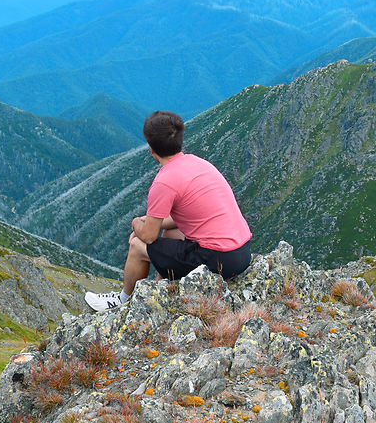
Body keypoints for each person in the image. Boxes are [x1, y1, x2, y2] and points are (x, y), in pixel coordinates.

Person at [85, 110, 252, 311]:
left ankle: (122, 301)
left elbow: (147, 236)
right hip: (241, 252)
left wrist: (138, 224)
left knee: (138, 245)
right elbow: (183, 219)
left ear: (151, 149)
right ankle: (161, 290)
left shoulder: (164, 182)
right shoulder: (198, 163)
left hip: (219, 260)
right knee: (172, 232)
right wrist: (151, 222)